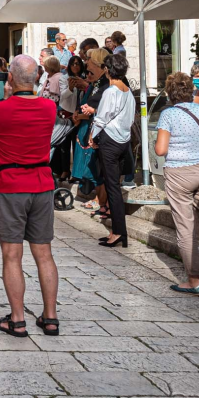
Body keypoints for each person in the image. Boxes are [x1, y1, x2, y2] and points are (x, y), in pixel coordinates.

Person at [0, 54, 59, 339]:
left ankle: (17, 320)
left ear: (10, 78)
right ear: (37, 77)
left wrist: (3, 97)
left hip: (11, 185)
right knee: (44, 254)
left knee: (12, 255)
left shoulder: (0, 109)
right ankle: (50, 318)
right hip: (42, 184)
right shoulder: (49, 108)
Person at [155, 72, 199, 294]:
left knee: (185, 227)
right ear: (191, 90)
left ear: (169, 93)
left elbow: (161, 149)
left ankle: (193, 279)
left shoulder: (168, 114)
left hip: (179, 173)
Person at [88, 53, 135, 248]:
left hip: (109, 140)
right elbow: (130, 119)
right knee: (115, 186)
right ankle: (118, 230)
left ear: (107, 70)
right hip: (124, 140)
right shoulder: (128, 92)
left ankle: (118, 232)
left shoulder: (110, 91)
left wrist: (92, 136)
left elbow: (101, 118)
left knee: (112, 187)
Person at [74, 48, 110, 212]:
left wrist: (90, 111)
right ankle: (101, 202)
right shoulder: (96, 82)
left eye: (89, 59)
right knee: (93, 167)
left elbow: (106, 108)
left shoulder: (107, 83)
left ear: (96, 62)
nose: (85, 62)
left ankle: (103, 203)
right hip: (92, 128)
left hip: (103, 131)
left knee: (99, 169)